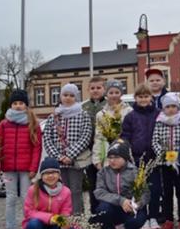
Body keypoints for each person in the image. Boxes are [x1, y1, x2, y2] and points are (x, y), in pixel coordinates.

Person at [0, 89, 42, 229]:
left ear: (26, 105)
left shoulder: (32, 123)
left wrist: (33, 168)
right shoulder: (4, 124)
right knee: (10, 199)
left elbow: (37, 147)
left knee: (26, 199)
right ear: (11, 105)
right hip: (8, 168)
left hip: (26, 169)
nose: (18, 105)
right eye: (15, 103)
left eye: (21, 103)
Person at [42, 83, 92, 216]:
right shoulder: (53, 117)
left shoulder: (83, 115)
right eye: (65, 95)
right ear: (61, 96)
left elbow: (85, 137)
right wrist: (59, 157)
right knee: (61, 190)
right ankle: (65, 217)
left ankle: (78, 217)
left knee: (75, 189)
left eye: (71, 95)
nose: (68, 98)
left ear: (76, 97)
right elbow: (47, 139)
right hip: (58, 162)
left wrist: (70, 155)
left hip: (75, 160)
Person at [120, 83, 162, 229]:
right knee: (138, 190)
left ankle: (154, 217)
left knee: (155, 189)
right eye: (140, 97)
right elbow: (125, 136)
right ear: (135, 98)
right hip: (137, 159)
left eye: (146, 96)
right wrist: (127, 153)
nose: (143, 99)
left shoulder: (158, 114)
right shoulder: (130, 116)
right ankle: (142, 218)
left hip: (154, 158)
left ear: (151, 97)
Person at [92, 140, 148, 229]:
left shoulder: (134, 171)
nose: (112, 161)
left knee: (139, 217)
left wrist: (137, 204)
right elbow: (99, 192)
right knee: (102, 210)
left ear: (125, 158)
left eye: (116, 157)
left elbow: (145, 193)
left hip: (130, 208)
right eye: (110, 157)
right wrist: (121, 200)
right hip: (112, 207)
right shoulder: (103, 172)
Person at [151, 93, 180, 229]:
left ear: (178, 107)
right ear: (163, 108)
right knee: (167, 191)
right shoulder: (159, 123)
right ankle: (168, 218)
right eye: (168, 107)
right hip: (165, 163)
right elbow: (155, 141)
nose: (171, 109)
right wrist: (162, 154)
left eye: (173, 106)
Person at [22, 158, 76, 229]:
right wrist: (50, 217)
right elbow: (29, 212)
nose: (50, 176)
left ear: (59, 174)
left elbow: (66, 210)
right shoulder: (33, 190)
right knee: (33, 224)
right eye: (47, 173)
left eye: (54, 172)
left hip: (55, 223)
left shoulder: (66, 191)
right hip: (38, 223)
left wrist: (64, 220)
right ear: (41, 176)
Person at [92, 80, 133, 170]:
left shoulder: (129, 111)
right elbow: (98, 137)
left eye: (117, 92)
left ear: (121, 94)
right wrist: (97, 159)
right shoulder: (101, 114)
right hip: (107, 155)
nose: (114, 95)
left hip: (125, 153)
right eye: (111, 93)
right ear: (106, 94)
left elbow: (132, 134)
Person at [82, 76, 106, 214]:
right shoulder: (84, 107)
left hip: (105, 150)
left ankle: (106, 211)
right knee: (93, 182)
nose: (95, 90)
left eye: (98, 88)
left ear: (104, 89)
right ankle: (95, 212)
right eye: (92, 88)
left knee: (106, 182)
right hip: (89, 150)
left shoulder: (108, 105)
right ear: (88, 90)